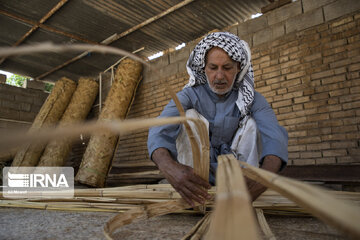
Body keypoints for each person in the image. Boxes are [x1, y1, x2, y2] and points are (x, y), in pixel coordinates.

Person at [147, 32, 288, 207]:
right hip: (197, 174)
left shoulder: (252, 99)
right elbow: (158, 129)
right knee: (190, 118)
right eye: (213, 68)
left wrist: (264, 179)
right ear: (203, 68)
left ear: (238, 68)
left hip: (238, 175)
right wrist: (169, 168)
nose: (219, 76)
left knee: (253, 123)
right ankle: (191, 188)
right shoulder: (189, 96)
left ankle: (246, 187)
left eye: (227, 68)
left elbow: (274, 136)